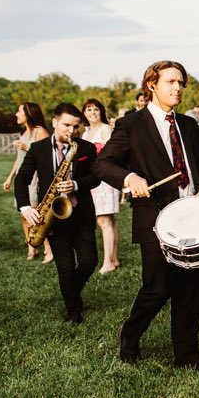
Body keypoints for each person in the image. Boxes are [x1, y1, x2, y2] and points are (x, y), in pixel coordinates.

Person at [94, 60, 199, 371]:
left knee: (189, 290)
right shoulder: (131, 125)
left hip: (192, 218)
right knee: (157, 288)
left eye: (181, 83)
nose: (178, 88)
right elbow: (103, 164)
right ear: (151, 85)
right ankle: (129, 334)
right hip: (156, 221)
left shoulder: (189, 125)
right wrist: (130, 178)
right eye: (171, 82)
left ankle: (187, 356)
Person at [15, 104, 100, 324]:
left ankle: (71, 292)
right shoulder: (38, 149)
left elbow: (96, 177)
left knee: (89, 262)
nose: (71, 131)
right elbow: (21, 178)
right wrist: (26, 207)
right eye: (66, 125)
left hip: (81, 214)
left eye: (75, 126)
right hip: (53, 216)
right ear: (54, 122)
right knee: (65, 267)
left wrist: (76, 184)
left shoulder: (87, 148)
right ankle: (74, 310)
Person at [2, 102, 53, 261]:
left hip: (34, 178)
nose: (16, 114)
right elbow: (19, 159)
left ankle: (48, 249)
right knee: (24, 215)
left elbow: (46, 156)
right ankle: (31, 247)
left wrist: (26, 147)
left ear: (29, 113)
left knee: (37, 215)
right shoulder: (24, 133)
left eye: (19, 111)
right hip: (22, 178)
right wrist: (10, 176)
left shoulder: (40, 132)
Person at [81, 98, 121, 274]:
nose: (92, 113)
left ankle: (108, 263)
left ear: (101, 112)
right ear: (84, 113)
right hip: (91, 178)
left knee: (104, 220)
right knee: (108, 221)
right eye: (89, 110)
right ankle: (115, 258)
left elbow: (113, 153)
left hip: (105, 179)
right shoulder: (86, 132)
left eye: (96, 109)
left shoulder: (106, 130)